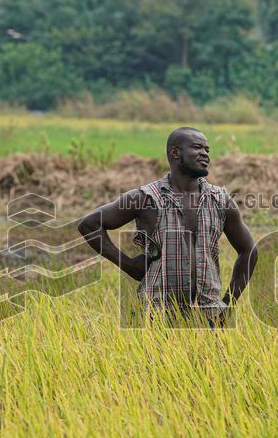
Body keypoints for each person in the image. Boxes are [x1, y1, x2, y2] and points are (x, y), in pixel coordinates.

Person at [77, 127, 257, 324]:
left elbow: (249, 250)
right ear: (175, 153)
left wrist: (228, 304)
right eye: (197, 147)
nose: (205, 154)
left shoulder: (221, 200)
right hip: (156, 315)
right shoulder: (144, 198)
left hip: (208, 316)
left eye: (207, 149)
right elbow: (90, 224)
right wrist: (128, 265)